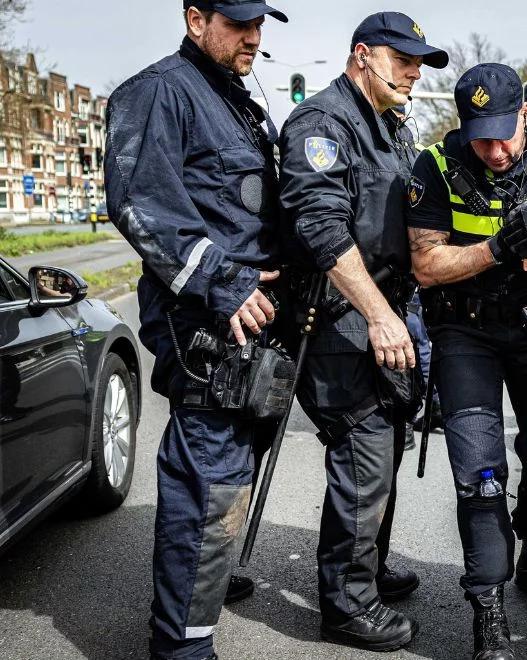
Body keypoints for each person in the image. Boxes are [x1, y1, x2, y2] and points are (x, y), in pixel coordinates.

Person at [104, 2, 288, 658]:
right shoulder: (160, 92)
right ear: (194, 18)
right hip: (206, 325)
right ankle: (182, 644)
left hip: (254, 326)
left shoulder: (232, 99)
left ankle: (196, 595)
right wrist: (226, 282)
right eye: (238, 23)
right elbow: (138, 199)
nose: (253, 37)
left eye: (259, 24)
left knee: (230, 477)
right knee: (209, 482)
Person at [277, 12, 446, 651]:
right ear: (362, 57)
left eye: (419, 64)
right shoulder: (322, 125)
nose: (412, 73)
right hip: (338, 322)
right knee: (363, 452)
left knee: (387, 447)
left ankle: (368, 567)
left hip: (385, 312)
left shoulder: (392, 128)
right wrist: (378, 315)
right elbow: (322, 231)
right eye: (402, 60)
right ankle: (348, 604)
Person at [406, 62, 527, 660]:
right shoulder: (435, 167)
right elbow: (426, 265)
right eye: (482, 136)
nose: (497, 149)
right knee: (480, 479)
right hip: (466, 335)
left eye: (506, 133)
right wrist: (501, 246)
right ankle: (488, 606)